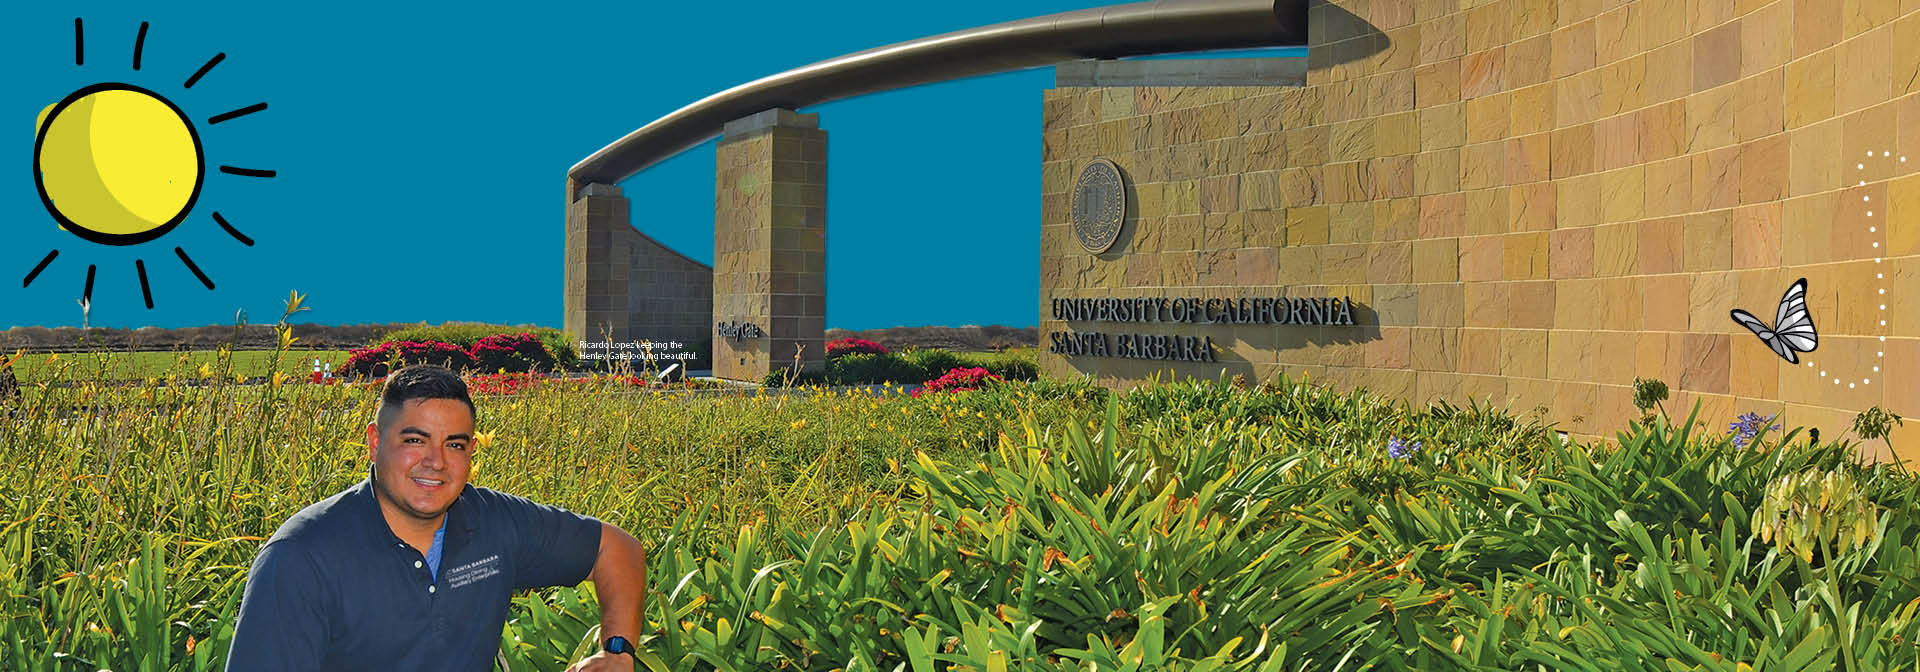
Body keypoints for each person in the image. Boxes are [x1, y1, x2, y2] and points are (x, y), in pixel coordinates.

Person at [225, 364, 648, 671]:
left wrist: (617, 651)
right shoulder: (300, 557)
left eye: (456, 445)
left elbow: (616, 549)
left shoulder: (496, 523)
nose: (436, 462)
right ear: (375, 442)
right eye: (415, 439)